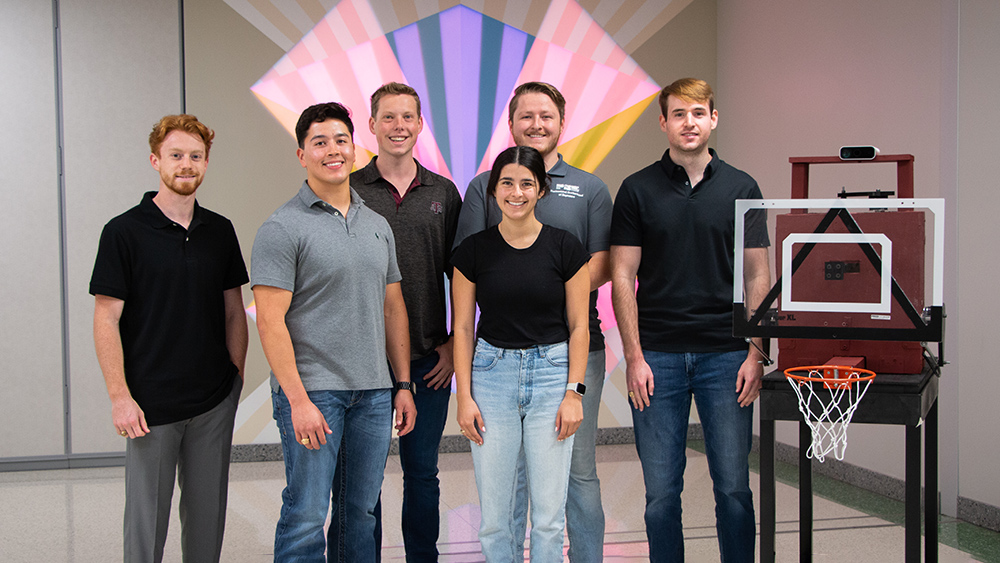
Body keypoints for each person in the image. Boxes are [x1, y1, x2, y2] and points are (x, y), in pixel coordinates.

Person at [609, 78, 771, 563]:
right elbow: (622, 275)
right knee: (661, 495)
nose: (689, 122)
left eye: (698, 112)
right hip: (657, 358)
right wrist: (634, 357)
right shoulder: (637, 189)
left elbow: (759, 273)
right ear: (664, 123)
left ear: (713, 119)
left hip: (727, 357)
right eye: (678, 114)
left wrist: (756, 352)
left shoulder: (744, 188)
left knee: (734, 489)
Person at [251, 102, 417, 561]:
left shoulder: (377, 225)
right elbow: (269, 320)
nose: (332, 151)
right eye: (319, 143)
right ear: (301, 154)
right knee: (306, 513)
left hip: (373, 394)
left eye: (340, 140)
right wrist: (298, 400)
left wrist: (401, 384)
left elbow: (393, 307)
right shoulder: (282, 228)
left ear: (355, 148)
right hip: (314, 392)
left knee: (359, 513)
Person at [453, 81, 612, 562]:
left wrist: (573, 390)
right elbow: (465, 317)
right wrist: (465, 395)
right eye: (527, 115)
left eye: (547, 115)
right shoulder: (478, 223)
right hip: (494, 367)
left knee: (565, 492)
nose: (516, 192)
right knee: (500, 509)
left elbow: (582, 314)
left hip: (559, 363)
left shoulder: (581, 208)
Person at [90, 114, 249, 563]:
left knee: (206, 526)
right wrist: (120, 395)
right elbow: (106, 319)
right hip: (149, 404)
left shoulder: (219, 230)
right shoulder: (123, 232)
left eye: (195, 156)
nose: (186, 164)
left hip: (212, 401)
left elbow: (234, 311)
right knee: (145, 528)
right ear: (155, 160)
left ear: (205, 163)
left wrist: (234, 380)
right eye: (176, 155)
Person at [333, 82, 462, 562]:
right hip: (362, 359)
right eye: (388, 117)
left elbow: (462, 277)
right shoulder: (348, 187)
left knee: (422, 474)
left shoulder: (443, 193)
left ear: (420, 124)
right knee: (357, 479)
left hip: (429, 358)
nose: (399, 127)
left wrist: (452, 343)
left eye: (407, 117)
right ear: (371, 125)